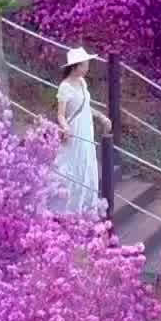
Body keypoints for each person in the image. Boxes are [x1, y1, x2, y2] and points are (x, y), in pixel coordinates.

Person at [51, 46, 111, 216]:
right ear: (76, 66)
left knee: (86, 164)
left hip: (86, 128)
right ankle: (68, 208)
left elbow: (85, 106)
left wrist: (100, 116)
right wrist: (66, 127)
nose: (87, 68)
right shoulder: (65, 87)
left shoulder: (82, 83)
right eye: (85, 64)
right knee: (71, 165)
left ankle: (85, 207)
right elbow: (61, 114)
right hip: (74, 129)